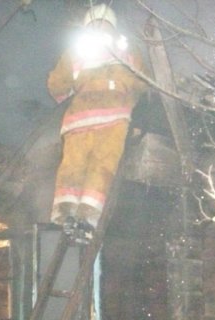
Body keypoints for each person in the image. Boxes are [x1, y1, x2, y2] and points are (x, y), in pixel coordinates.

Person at [47, 4, 147, 243]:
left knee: (73, 164)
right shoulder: (125, 47)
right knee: (102, 166)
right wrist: (130, 99)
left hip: (79, 118)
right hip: (114, 117)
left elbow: (57, 84)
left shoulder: (77, 48)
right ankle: (87, 219)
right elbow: (142, 82)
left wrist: (71, 91)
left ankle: (65, 210)